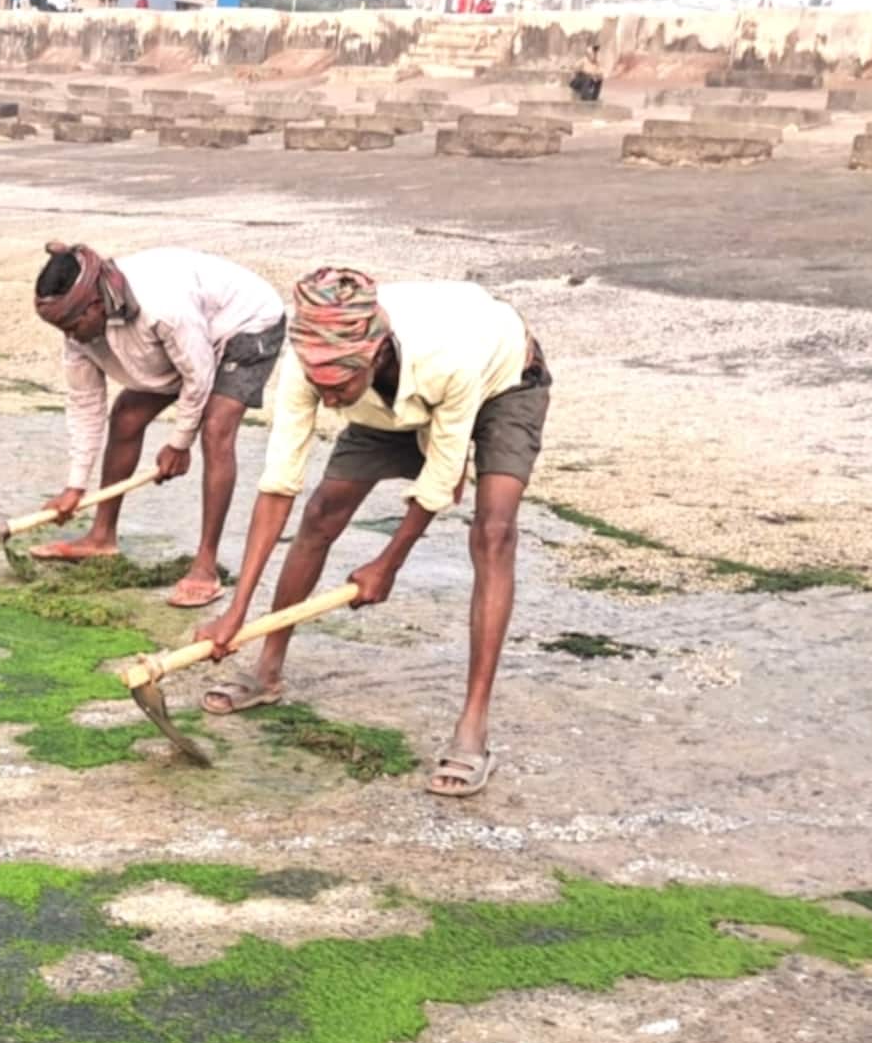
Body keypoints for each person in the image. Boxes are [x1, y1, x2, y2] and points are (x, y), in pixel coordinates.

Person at [192, 267, 551, 798]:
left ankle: (472, 727)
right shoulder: (311, 367)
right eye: (323, 388)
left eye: (340, 387)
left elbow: (441, 477)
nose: (330, 400)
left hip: (503, 379)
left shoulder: (447, 355)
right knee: (321, 514)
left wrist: (389, 563)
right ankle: (266, 668)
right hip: (390, 405)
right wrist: (237, 610)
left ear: (375, 353)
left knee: (494, 531)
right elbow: (278, 485)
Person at [29, 241, 288, 609]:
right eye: (61, 329)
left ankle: (205, 564)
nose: (69, 337)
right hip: (184, 343)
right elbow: (85, 405)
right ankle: (102, 536)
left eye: (72, 326)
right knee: (126, 417)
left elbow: (198, 377)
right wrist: (75, 486)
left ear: (95, 305)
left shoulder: (163, 306)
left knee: (215, 430)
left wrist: (179, 443)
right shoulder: (76, 329)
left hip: (244, 322)